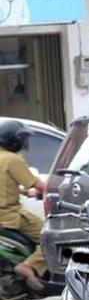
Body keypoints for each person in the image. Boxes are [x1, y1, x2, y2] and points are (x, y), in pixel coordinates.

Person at [0, 120, 47, 291]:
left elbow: (5, 184)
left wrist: (25, 192)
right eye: (22, 139)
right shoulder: (13, 159)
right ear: (12, 140)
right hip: (10, 216)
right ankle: (29, 265)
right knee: (49, 236)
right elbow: (40, 185)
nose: (25, 143)